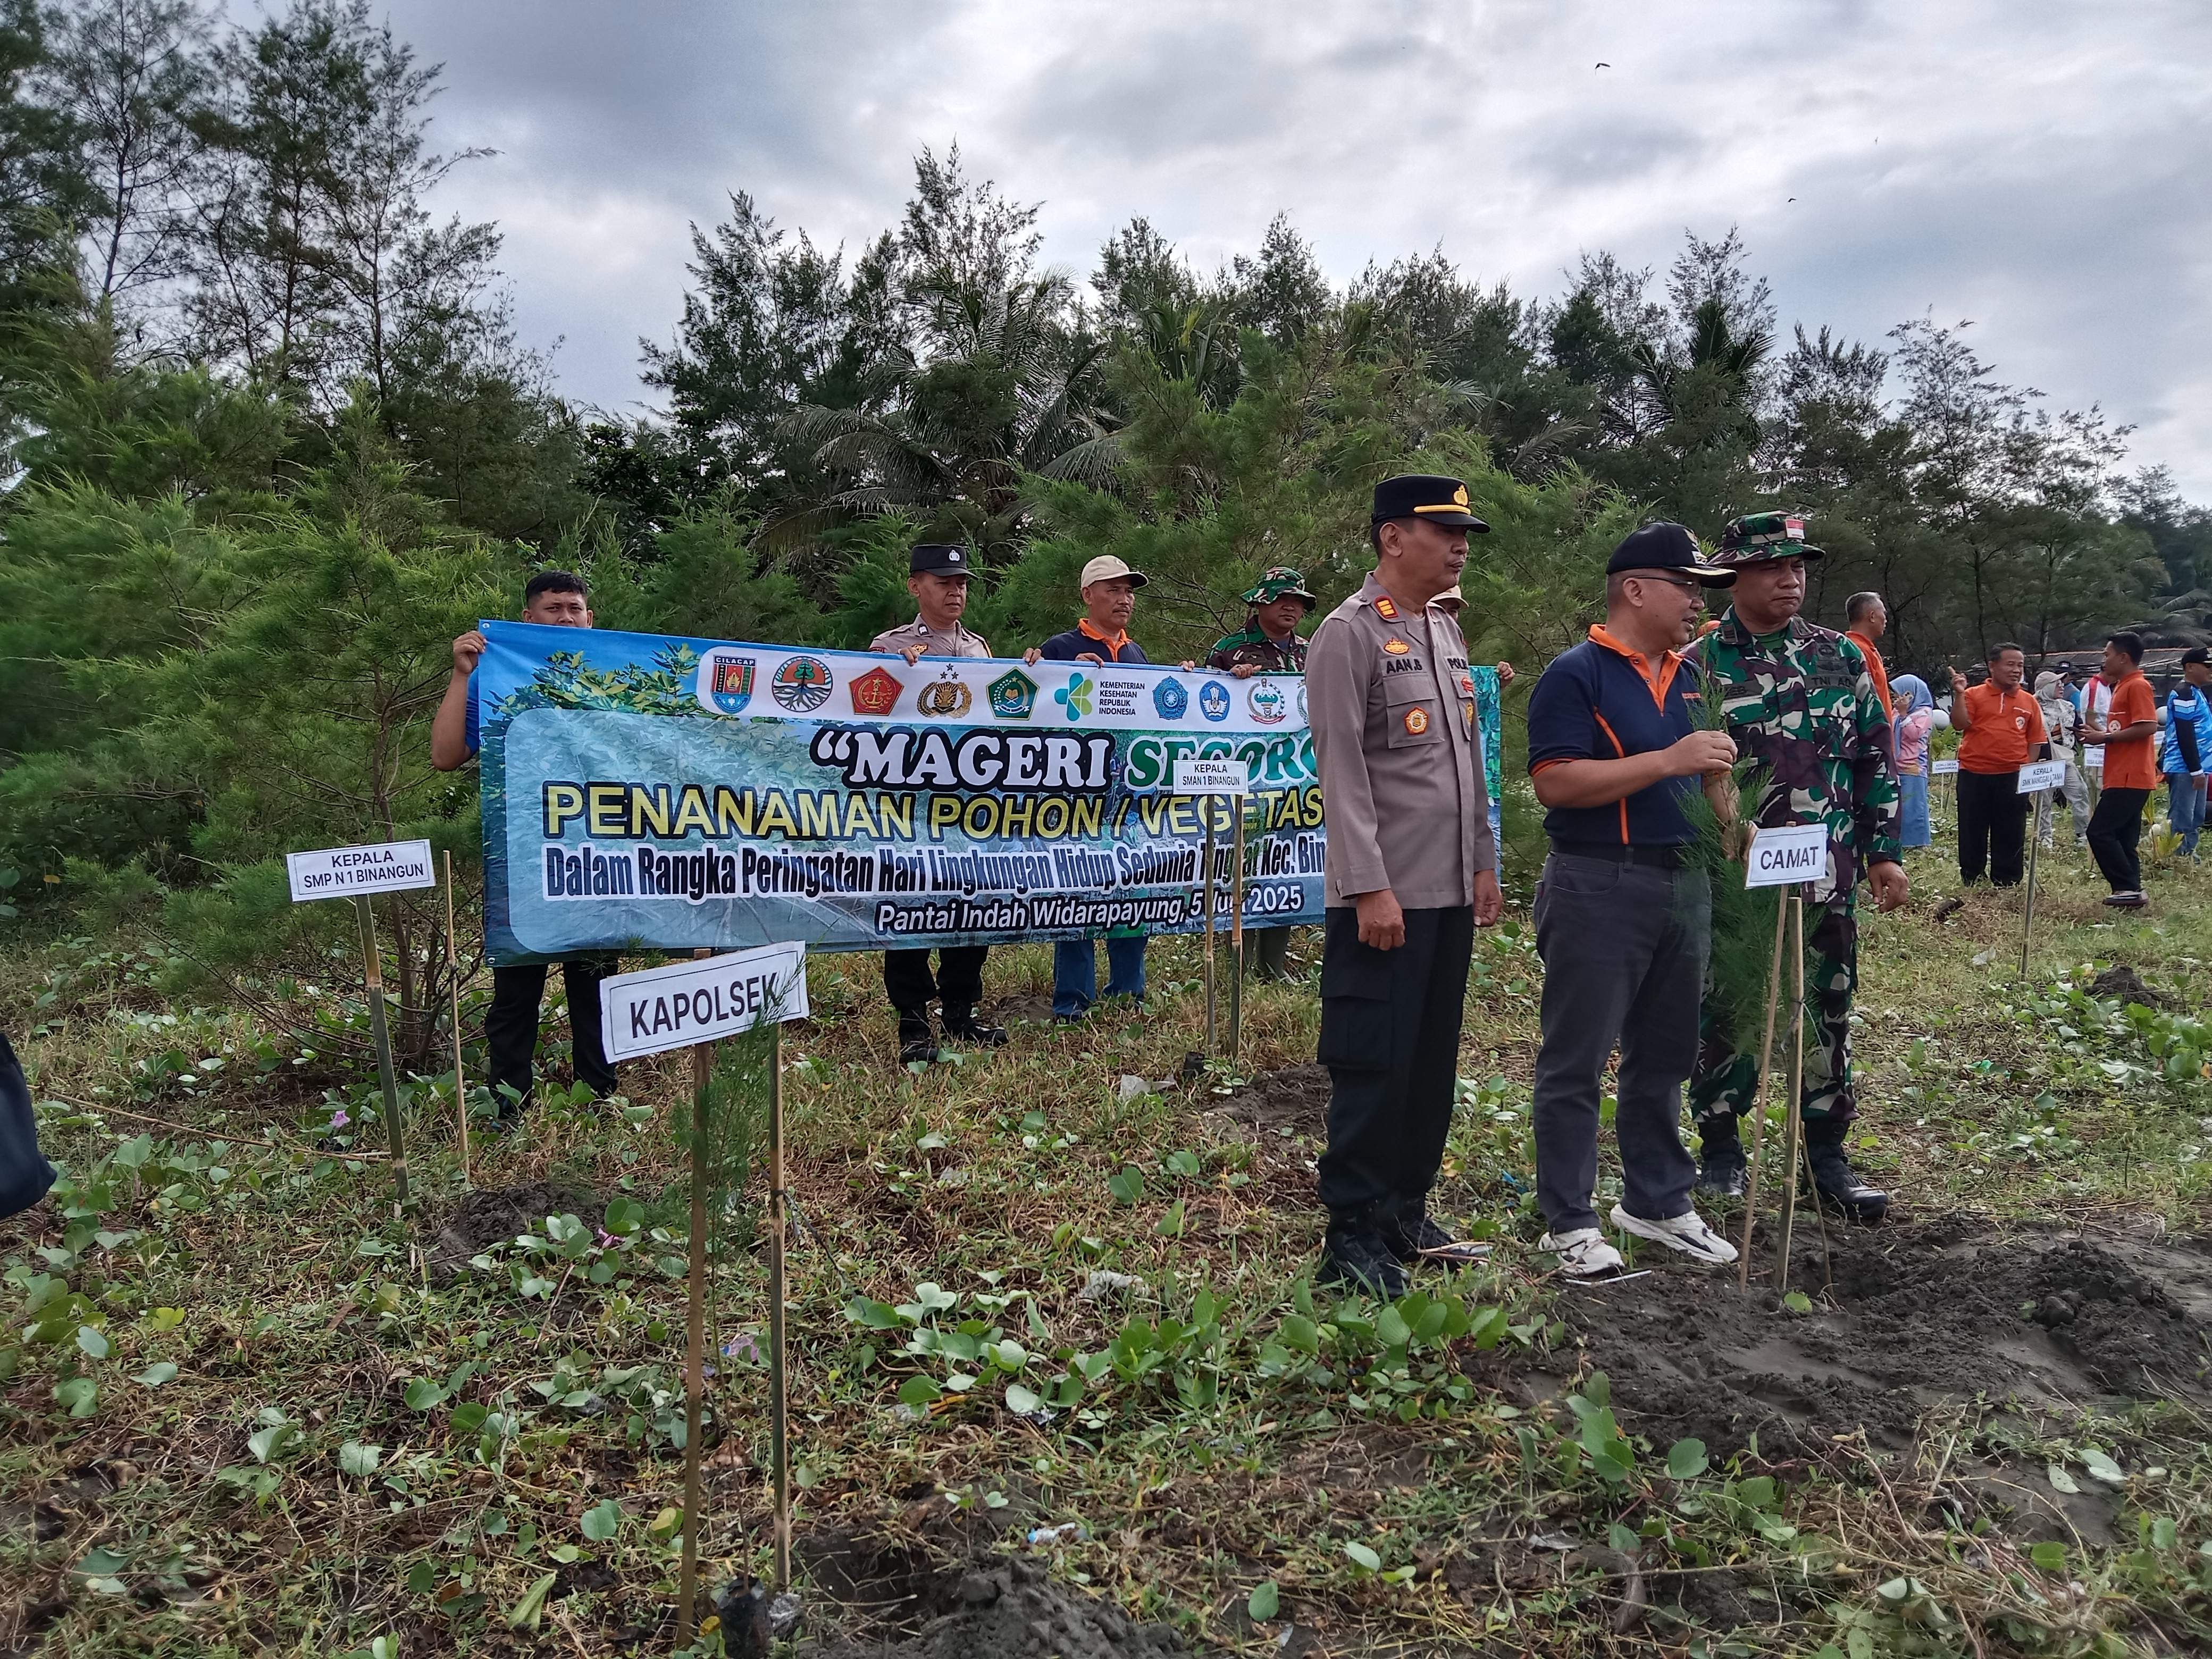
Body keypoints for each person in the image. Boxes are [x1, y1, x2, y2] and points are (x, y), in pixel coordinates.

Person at [1525, 524, 1742, 1278]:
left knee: (1667, 1052)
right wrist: (1667, 761)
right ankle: (1570, 1220)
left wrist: (1728, 815)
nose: (1697, 603)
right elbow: (1554, 781)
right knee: (1577, 1057)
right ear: (1636, 589)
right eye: (1688, 587)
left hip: (1684, 883)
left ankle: (1656, 1202)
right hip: (1597, 880)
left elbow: (1707, 772)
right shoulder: (1575, 674)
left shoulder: (1691, 677)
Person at [1307, 474, 1503, 1295]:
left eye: (1465, 532)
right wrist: (1368, 888)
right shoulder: (1347, 635)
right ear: (1393, 538)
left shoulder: (1445, 632)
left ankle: (1404, 1209)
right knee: (1375, 1065)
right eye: (1443, 530)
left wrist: (1485, 860)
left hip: (1449, 892)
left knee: (1429, 1063)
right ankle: (1349, 1232)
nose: (1461, 544)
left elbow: (1466, 762)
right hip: (1385, 900)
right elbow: (1343, 773)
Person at [1686, 513, 1906, 1226]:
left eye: (1799, 568)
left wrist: (1883, 853)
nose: (1790, 581)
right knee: (1730, 1009)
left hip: (1827, 871)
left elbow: (1875, 755)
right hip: (1736, 876)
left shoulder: (1840, 656)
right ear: (1736, 576)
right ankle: (1721, 1149)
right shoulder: (1699, 663)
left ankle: (1826, 1158)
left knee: (1826, 1007)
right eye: (1773, 568)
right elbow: (1686, 771)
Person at [431, 571, 619, 1116]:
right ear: (527, 620)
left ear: (591, 619)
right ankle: (508, 1106)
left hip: (599, 859)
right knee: (516, 995)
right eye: (553, 608)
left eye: (575, 608)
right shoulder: (499, 679)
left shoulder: (616, 676)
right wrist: (462, 674)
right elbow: (445, 757)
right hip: (522, 862)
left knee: (594, 992)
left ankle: (598, 1100)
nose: (566, 617)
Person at [870, 543, 1012, 1062]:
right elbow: (867, 722)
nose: (956, 591)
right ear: (915, 586)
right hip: (911, 807)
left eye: (962, 583)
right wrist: (898, 676)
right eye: (943, 582)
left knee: (971, 904)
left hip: (970, 805)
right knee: (909, 907)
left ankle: (959, 1013)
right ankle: (912, 1021)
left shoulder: (979, 648)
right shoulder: (888, 648)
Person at [1037, 556, 1160, 1017]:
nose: (1124, 598)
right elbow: (1035, 718)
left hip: (1130, 799)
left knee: (1134, 890)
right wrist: (1054, 672)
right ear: (1088, 595)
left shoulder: (1138, 654)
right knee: (1075, 896)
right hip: (1076, 799)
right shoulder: (1058, 647)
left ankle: (1128, 993)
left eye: (1129, 590)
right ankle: (1073, 1001)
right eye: (1112, 589)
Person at [1208, 567, 1315, 983]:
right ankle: (1237, 965)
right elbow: (1206, 707)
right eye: (1282, 599)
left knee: (1286, 864)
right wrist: (1230, 682)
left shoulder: (1311, 650)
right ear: (1260, 602)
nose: (1291, 607)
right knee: (1244, 866)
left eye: (1299, 602)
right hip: (1245, 774)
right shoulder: (1230, 649)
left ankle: (1273, 966)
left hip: (1298, 776)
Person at [1948, 643, 2048, 887]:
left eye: (2020, 666)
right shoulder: (1973, 695)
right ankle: (1972, 877)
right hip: (1974, 774)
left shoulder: (2028, 701)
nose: (2016, 671)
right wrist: (1959, 694)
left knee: (2011, 830)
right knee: (1973, 828)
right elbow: (1959, 724)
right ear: (1993, 667)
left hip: (2012, 776)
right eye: (2010, 664)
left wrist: (2026, 771)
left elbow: (2035, 740)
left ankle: (2008, 880)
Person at [2080, 632, 2159, 908]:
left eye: (2108, 654)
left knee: (2099, 832)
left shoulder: (2137, 686)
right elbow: (2125, 730)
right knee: (2124, 839)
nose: (2104, 659)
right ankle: (2131, 891)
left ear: (2124, 658)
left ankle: (2126, 886)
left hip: (2131, 775)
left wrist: (2105, 738)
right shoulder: (2122, 686)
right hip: (2123, 774)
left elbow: (2149, 726)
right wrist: (2101, 734)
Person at [2159, 648, 2212, 858]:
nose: (2211, 671)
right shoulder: (2184, 693)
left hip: (2199, 766)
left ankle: (2189, 853)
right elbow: (2184, 732)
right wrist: (2195, 770)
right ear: (2190, 667)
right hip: (2186, 767)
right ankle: (2176, 856)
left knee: (2197, 815)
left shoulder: (2197, 692)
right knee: (2182, 816)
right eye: (2207, 666)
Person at [2033, 670, 2091, 850]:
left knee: (2080, 794)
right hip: (2043, 761)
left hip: (2065, 759)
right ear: (2045, 688)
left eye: (2061, 683)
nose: (2061, 686)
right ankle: (2044, 838)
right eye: (2056, 683)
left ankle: (2083, 835)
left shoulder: (2068, 707)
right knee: (2044, 801)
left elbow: (2078, 727)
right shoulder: (2032, 707)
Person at [1891, 674, 1938, 851]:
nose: (1898, 698)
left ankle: (1918, 842)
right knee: (1900, 806)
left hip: (1913, 767)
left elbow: (1914, 735)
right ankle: (1902, 840)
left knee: (1914, 806)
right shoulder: (1897, 711)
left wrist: (1904, 715)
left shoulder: (1923, 713)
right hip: (1897, 764)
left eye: (1901, 693)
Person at [1844, 592, 1895, 718]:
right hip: (1873, 734)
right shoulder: (1858, 650)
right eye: (1884, 613)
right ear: (1872, 616)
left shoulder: (1864, 649)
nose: (1886, 619)